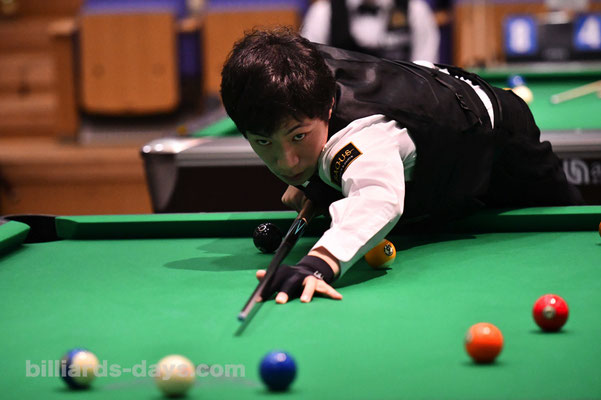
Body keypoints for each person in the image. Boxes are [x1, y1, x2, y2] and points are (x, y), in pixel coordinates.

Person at [220, 28, 583, 305]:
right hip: (437, 100)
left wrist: (320, 262)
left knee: (574, 228)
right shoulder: (294, 70)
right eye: (263, 143)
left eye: (299, 136)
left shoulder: (362, 138)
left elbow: (378, 197)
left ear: (327, 108)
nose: (286, 161)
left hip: (501, 138)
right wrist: (314, 178)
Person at [301, 0, 440, 62]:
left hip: (402, 106)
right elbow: (310, 72)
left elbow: (426, 73)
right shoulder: (323, 13)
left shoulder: (415, 11)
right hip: (341, 106)